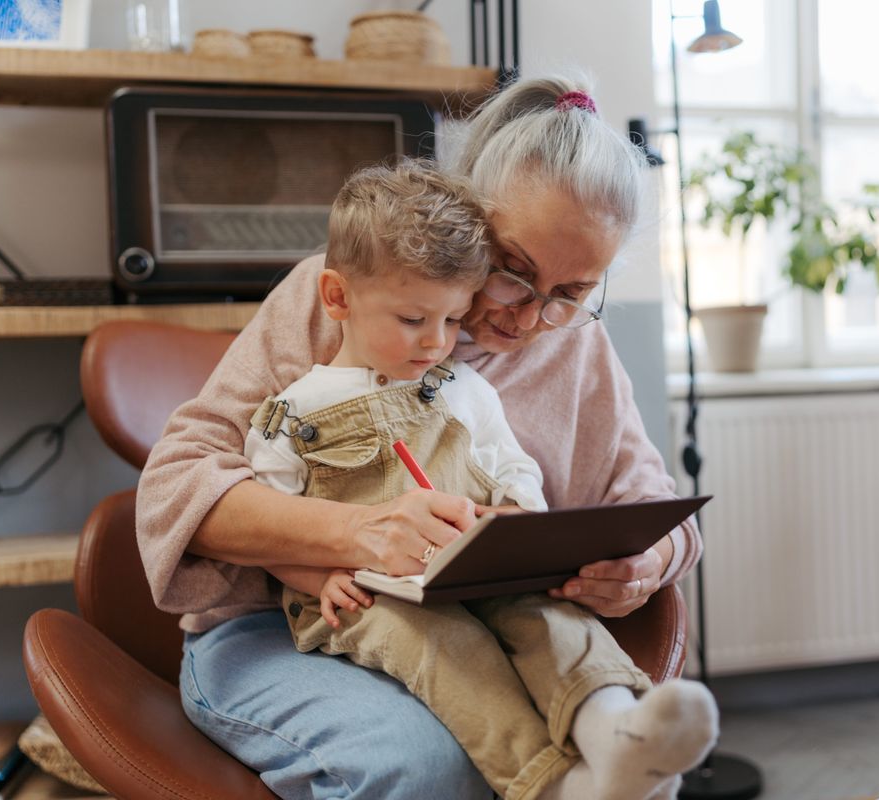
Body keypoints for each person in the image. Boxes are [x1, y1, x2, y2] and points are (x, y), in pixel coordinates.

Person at [137, 75, 706, 800]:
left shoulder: (577, 347)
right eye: (513, 272)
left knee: (558, 719)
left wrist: (645, 564)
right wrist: (360, 533)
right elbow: (177, 485)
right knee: (427, 762)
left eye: (569, 294)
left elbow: (657, 509)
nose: (529, 318)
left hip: (488, 625)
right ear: (469, 216)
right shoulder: (344, 295)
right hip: (285, 625)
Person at [246, 161, 716, 800]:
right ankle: (556, 786)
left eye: (451, 320)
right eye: (414, 321)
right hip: (364, 597)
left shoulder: (458, 387)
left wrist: (519, 513)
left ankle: (616, 731)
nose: (437, 343)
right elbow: (269, 522)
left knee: (547, 615)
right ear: (337, 298)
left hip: (466, 576)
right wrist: (317, 575)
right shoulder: (292, 412)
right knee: (445, 648)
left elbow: (511, 463)